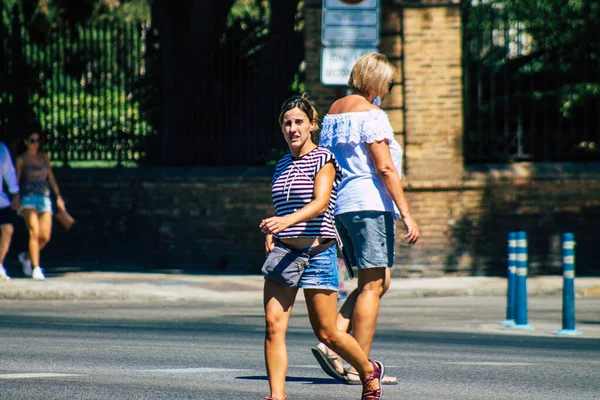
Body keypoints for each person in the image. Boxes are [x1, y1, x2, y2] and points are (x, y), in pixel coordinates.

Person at [261, 94, 384, 400]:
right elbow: (283, 203)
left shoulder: (324, 159)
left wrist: (284, 221)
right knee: (273, 326)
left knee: (327, 333)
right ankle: (277, 396)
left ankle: (368, 371)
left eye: (299, 122)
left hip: (318, 254)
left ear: (312, 125)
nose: (293, 129)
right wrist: (272, 230)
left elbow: (319, 203)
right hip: (284, 254)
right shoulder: (281, 165)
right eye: (287, 123)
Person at [311, 52, 420, 385]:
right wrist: (407, 214)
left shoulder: (332, 114)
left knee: (376, 281)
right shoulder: (372, 115)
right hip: (370, 205)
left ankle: (334, 340)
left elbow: (326, 162)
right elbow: (385, 167)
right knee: (373, 286)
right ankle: (363, 368)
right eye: (386, 83)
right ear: (374, 80)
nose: (387, 91)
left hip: (343, 206)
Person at [15, 129, 65, 280]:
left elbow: (51, 177)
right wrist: (16, 197)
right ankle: (36, 268)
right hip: (28, 197)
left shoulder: (44, 157)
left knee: (45, 236)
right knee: (34, 232)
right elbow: (17, 179)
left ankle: (26, 257)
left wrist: (58, 196)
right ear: (26, 142)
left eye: (37, 141)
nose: (35, 144)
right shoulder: (21, 159)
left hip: (44, 196)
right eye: (32, 141)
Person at [0, 129, 20, 280]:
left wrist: (15, 193)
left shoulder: (2, 149)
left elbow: (9, 172)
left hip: (1, 199)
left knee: (7, 229)